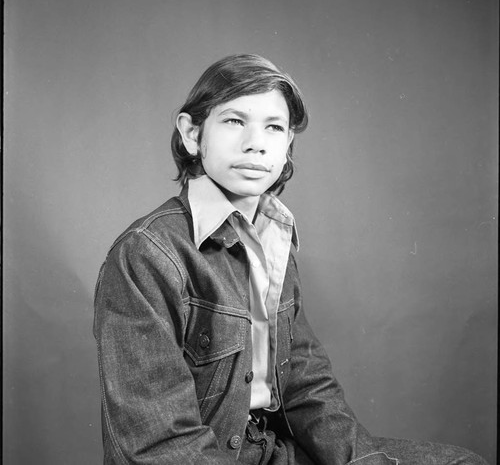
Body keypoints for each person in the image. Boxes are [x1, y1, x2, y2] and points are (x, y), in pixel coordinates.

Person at [93, 54, 489, 465]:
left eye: (274, 127)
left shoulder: (272, 238)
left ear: (287, 147)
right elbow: (159, 442)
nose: (255, 142)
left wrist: (366, 461)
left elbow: (306, 384)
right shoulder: (146, 254)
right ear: (192, 134)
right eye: (233, 121)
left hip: (268, 452)